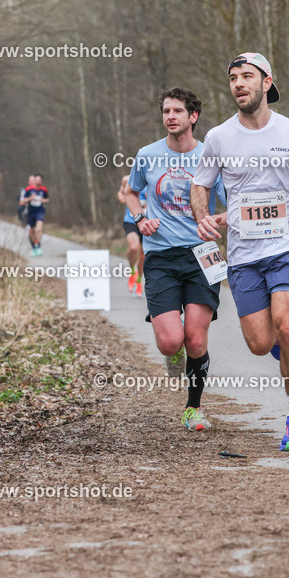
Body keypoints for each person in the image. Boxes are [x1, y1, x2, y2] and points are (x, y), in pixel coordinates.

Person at [192, 52, 289, 452]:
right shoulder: (219, 137)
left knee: (288, 326)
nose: (239, 83)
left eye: (247, 76)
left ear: (266, 83)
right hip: (244, 253)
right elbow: (200, 184)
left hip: (287, 244)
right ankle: (283, 349)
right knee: (259, 342)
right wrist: (203, 219)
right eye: (233, 77)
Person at [127, 87, 227, 432]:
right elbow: (131, 192)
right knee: (171, 341)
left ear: (192, 117)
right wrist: (142, 220)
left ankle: (193, 408)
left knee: (196, 339)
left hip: (204, 255)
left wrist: (217, 221)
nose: (171, 116)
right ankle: (174, 354)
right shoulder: (147, 155)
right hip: (161, 255)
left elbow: (231, 200)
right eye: (166, 111)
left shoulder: (209, 156)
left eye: (178, 111)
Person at [117, 175, 147, 297]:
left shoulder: (153, 177)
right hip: (131, 221)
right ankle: (131, 270)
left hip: (146, 222)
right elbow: (120, 192)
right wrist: (122, 197)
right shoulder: (126, 179)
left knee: (143, 255)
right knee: (133, 247)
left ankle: (139, 280)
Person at [22, 174, 49, 256]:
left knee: (39, 228)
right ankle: (34, 246)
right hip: (30, 212)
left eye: (38, 180)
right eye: (35, 180)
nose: (37, 182)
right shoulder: (28, 189)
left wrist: (44, 200)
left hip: (40, 211)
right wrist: (30, 198)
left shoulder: (44, 189)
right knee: (31, 232)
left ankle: (38, 246)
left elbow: (47, 198)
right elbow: (23, 200)